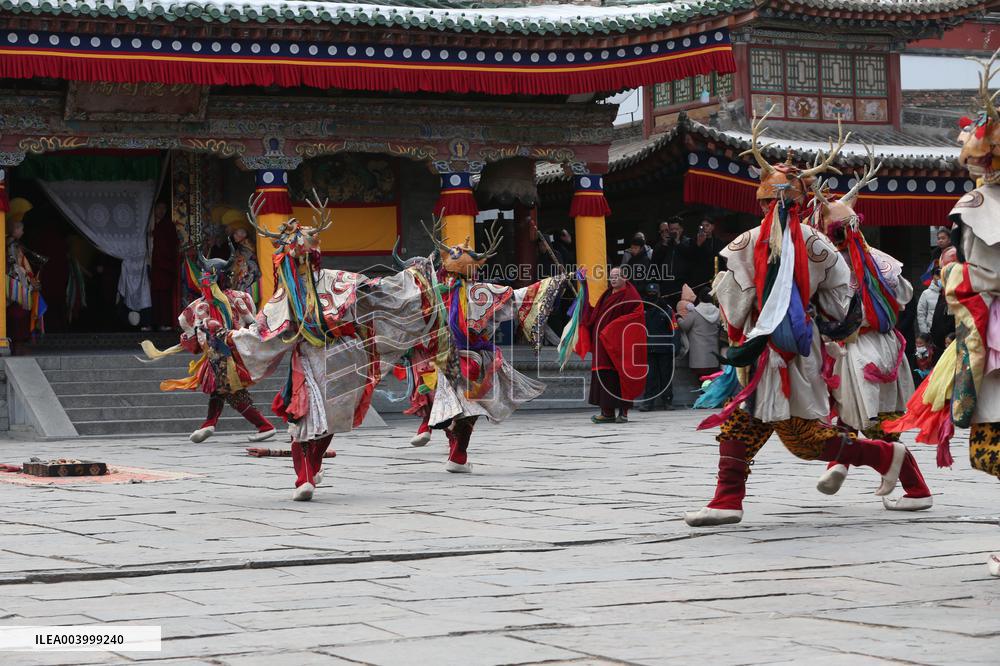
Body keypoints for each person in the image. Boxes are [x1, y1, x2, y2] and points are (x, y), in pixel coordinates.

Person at [684, 112, 930, 527]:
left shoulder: (751, 242)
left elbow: (734, 297)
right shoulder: (815, 245)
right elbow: (840, 300)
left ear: (763, 201)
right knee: (743, 424)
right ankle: (727, 499)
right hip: (797, 345)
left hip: (788, 352)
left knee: (805, 439)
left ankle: (889, 457)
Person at [885, 55, 1000, 574]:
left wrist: (955, 276)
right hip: (983, 327)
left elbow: (988, 276)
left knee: (991, 446)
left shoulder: (981, 206)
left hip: (991, 329)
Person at [807, 154, 930, 509]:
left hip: (860, 345)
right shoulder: (876, 257)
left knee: (874, 419)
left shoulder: (832, 262)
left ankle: (915, 488)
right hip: (875, 343)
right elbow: (904, 295)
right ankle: (840, 464)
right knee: (849, 411)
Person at [156, 245, 276, 445]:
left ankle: (262, 426)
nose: (205, 279)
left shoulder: (236, 300)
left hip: (230, 352)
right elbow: (190, 329)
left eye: (208, 275)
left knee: (229, 390)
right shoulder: (201, 305)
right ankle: (210, 424)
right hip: (215, 354)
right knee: (220, 389)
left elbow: (253, 324)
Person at [585, 266, 646, 424]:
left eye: (616, 276)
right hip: (603, 343)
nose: (612, 279)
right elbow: (595, 314)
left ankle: (623, 412)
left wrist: (612, 329)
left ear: (624, 278)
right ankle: (607, 412)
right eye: (611, 276)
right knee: (604, 376)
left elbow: (636, 315)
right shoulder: (606, 295)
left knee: (621, 376)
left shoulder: (631, 295)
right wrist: (583, 288)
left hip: (619, 343)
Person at [6, 198, 46, 347]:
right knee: (19, 309)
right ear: (14, 229)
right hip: (15, 281)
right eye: (20, 229)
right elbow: (13, 263)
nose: (23, 232)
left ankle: (21, 337)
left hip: (21, 279)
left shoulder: (15, 245)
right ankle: (17, 338)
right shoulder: (10, 245)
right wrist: (25, 276)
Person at [638, 282, 674, 412]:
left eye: (654, 292)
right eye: (650, 292)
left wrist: (674, 345)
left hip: (665, 348)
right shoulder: (642, 308)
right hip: (649, 347)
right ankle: (648, 402)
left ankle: (668, 401)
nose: (652, 295)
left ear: (659, 293)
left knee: (666, 376)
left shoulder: (667, 308)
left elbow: (674, 327)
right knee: (651, 377)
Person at [676, 286, 720, 381]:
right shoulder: (718, 312)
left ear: (699, 298)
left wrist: (678, 318)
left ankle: (704, 394)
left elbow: (685, 326)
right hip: (714, 357)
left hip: (698, 358)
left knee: (701, 382)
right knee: (711, 381)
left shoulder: (695, 312)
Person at [149, 201, 178, 331]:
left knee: (164, 295)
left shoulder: (168, 225)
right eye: (158, 208)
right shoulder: (149, 224)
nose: (161, 211)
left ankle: (165, 322)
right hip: (152, 264)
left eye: (163, 208)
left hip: (164, 265)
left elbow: (172, 244)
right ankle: (151, 321)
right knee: (152, 294)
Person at [650, 216, 692, 307]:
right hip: (666, 285)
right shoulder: (665, 244)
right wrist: (664, 244)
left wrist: (677, 241)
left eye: (676, 229)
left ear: (682, 229)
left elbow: (689, 256)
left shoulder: (688, 242)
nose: (673, 231)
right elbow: (655, 263)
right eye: (671, 229)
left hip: (682, 285)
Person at [222, 209, 262, 303]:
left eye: (236, 233)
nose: (234, 236)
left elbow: (245, 263)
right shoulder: (241, 247)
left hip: (248, 276)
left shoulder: (247, 247)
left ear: (243, 234)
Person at [691, 217, 726, 289]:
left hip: (715, 277)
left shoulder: (719, 242)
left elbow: (722, 261)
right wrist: (698, 244)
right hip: (700, 279)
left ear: (712, 227)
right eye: (702, 226)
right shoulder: (694, 241)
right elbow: (691, 258)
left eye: (707, 225)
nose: (704, 228)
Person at [916, 270, 941, 338]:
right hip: (931, 332)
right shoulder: (926, 293)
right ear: (933, 276)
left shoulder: (952, 292)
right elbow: (921, 314)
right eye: (938, 275)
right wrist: (925, 332)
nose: (940, 278)